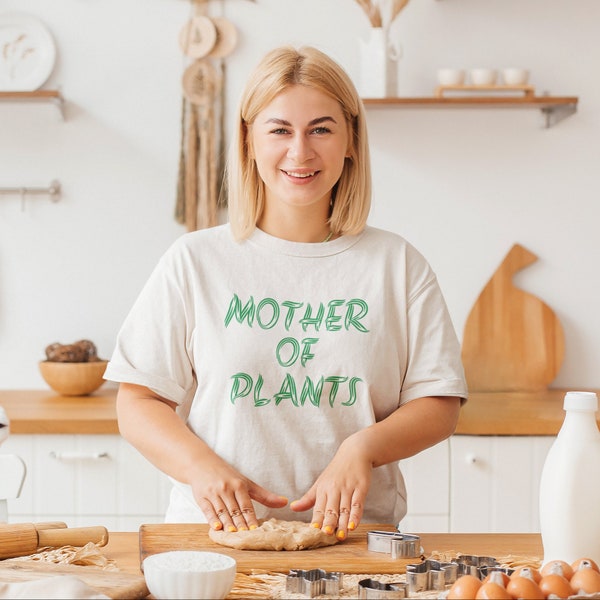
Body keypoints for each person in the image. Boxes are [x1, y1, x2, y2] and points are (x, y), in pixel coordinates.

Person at [105, 45, 467, 541]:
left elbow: (438, 402)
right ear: (249, 140)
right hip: (214, 540)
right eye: (279, 130)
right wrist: (200, 466)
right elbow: (138, 401)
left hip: (355, 542)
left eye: (321, 128)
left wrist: (361, 449)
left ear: (350, 142)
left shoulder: (397, 264)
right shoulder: (194, 261)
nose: (300, 151)